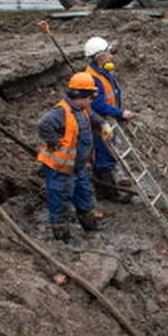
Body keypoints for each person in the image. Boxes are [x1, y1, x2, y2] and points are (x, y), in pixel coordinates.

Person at [37, 72, 109, 242]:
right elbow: (43, 125)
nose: (92, 100)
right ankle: (63, 238)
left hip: (78, 167)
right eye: (90, 96)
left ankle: (90, 225)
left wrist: (103, 123)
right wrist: (54, 143)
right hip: (61, 169)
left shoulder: (81, 109)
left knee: (85, 196)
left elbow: (91, 115)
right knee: (60, 204)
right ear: (81, 96)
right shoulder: (60, 112)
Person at [83, 36, 136, 201]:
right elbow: (97, 105)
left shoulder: (103, 72)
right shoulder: (93, 78)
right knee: (104, 157)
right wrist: (120, 113)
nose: (111, 55)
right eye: (108, 52)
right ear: (100, 56)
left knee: (103, 155)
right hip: (98, 122)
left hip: (106, 121)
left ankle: (103, 193)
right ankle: (111, 194)